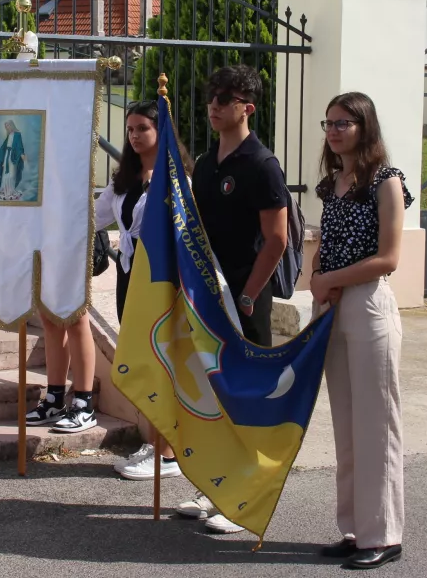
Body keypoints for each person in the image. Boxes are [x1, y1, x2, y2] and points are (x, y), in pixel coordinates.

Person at [176, 64, 290, 534]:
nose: (215, 105)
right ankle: (217, 487)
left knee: (247, 396)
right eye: (211, 96)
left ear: (248, 107)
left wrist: (246, 297)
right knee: (214, 393)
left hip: (245, 297)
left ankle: (246, 499)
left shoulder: (261, 165)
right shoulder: (205, 164)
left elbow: (277, 240)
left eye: (226, 97)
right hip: (208, 296)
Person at [309, 92, 409, 570]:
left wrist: (331, 279)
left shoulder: (386, 181)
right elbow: (326, 245)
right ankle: (354, 529)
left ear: (364, 127)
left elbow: (389, 258)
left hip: (368, 304)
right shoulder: (332, 185)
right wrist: (316, 274)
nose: (334, 130)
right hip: (331, 308)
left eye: (343, 122)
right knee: (346, 427)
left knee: (376, 424)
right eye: (329, 122)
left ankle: (384, 533)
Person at [96, 101, 195, 480]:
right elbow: (97, 214)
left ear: (161, 132)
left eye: (143, 129)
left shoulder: (176, 179)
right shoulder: (126, 177)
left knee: (161, 363)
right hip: (128, 275)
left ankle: (168, 454)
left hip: (159, 280)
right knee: (142, 359)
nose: (135, 136)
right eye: (131, 130)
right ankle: (155, 444)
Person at [0, 119, 25, 200]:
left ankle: (11, 191)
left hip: (13, 156)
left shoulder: (17, 135)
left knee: (12, 174)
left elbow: (20, 145)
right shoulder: (9, 135)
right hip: (6, 156)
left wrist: (22, 154)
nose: (6, 128)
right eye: (5, 126)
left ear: (11, 125)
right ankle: (5, 190)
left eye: (7, 126)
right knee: (5, 173)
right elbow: (3, 146)